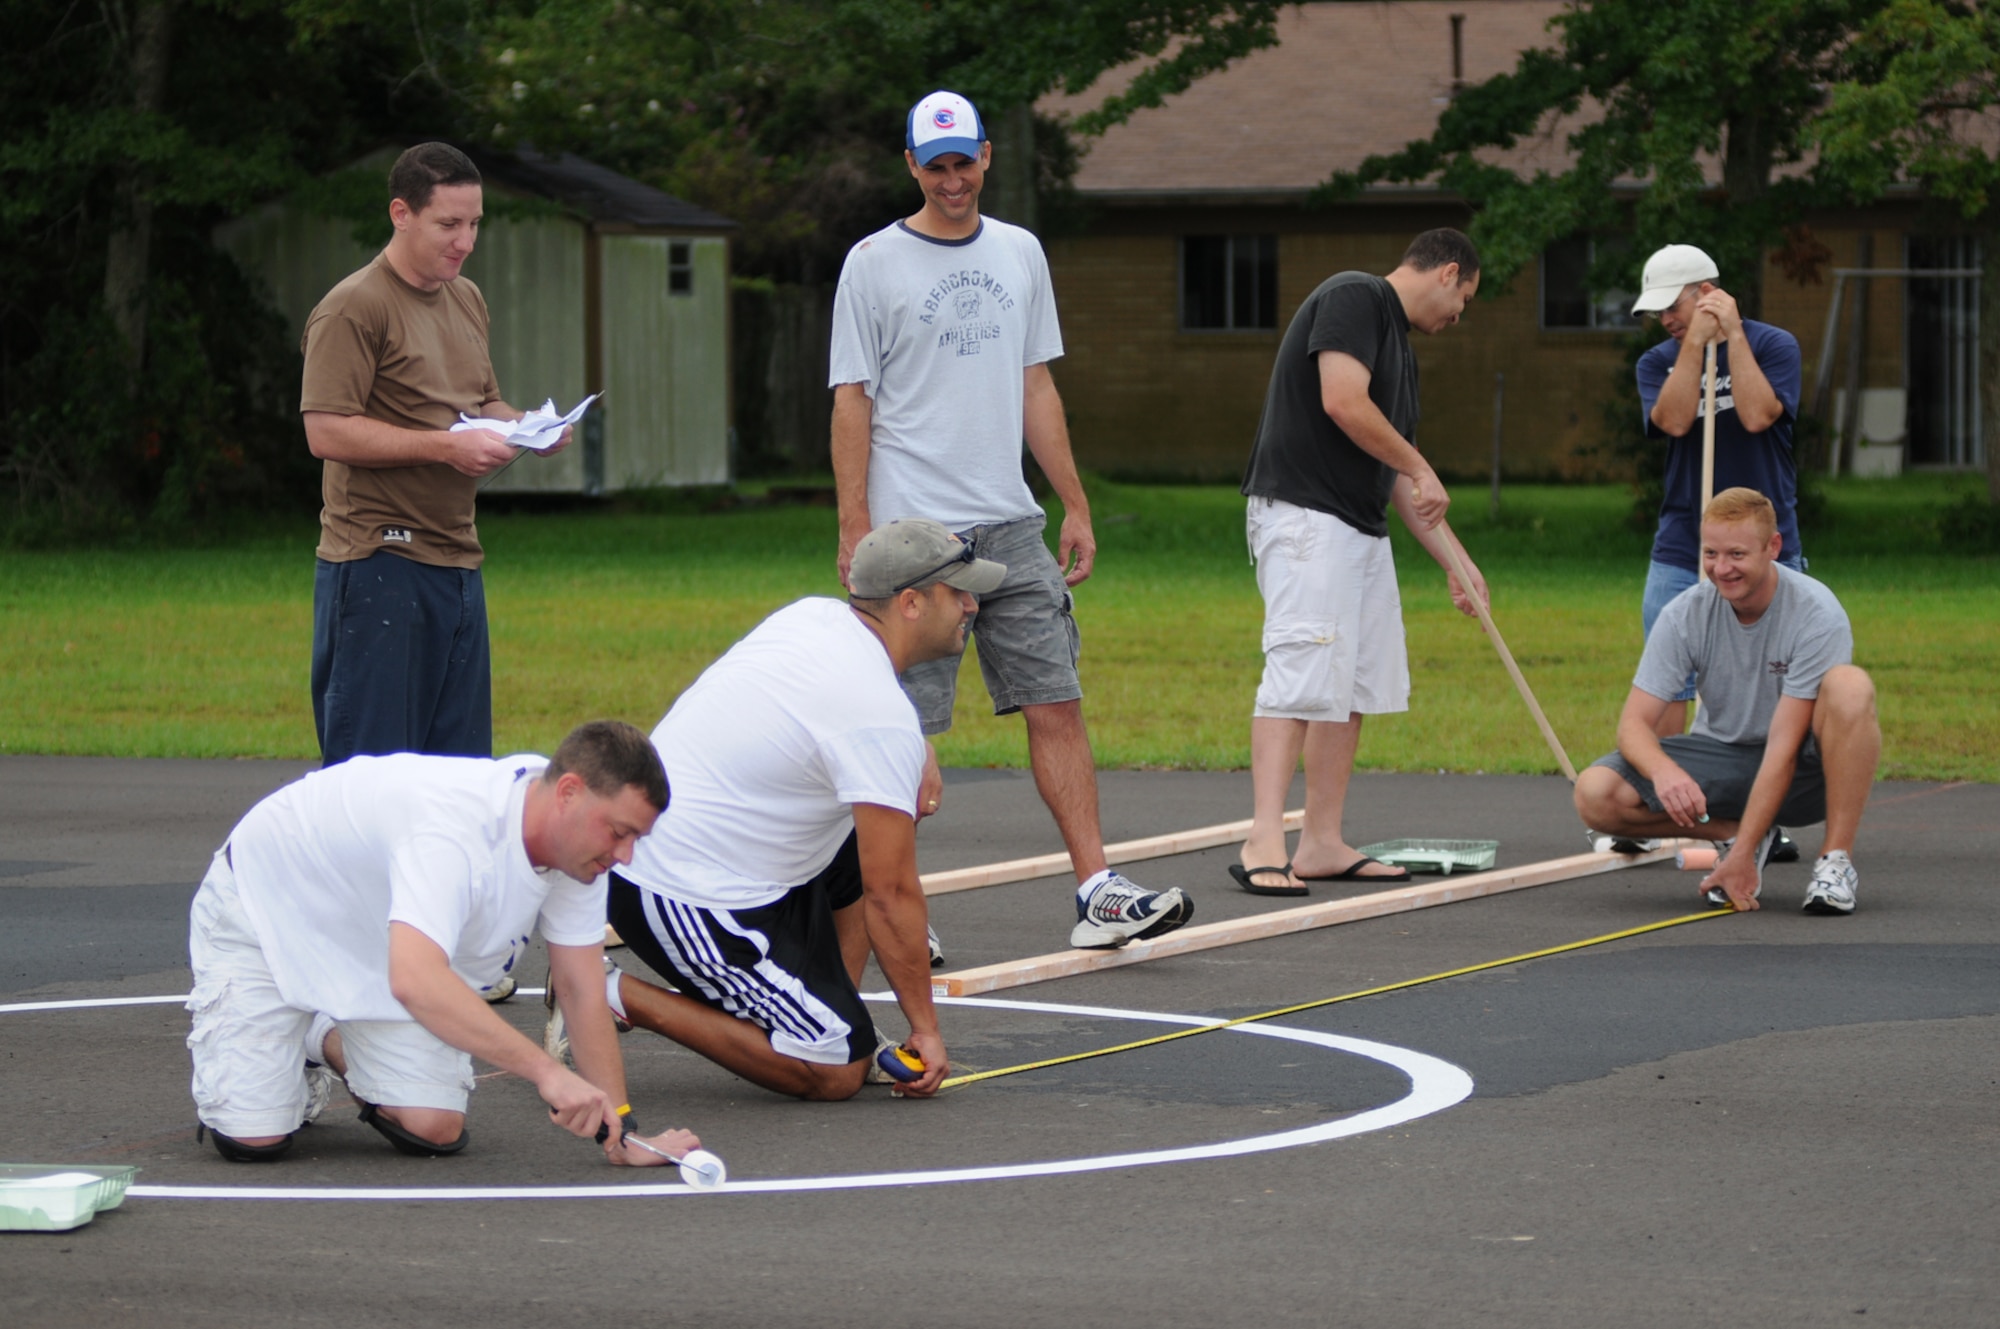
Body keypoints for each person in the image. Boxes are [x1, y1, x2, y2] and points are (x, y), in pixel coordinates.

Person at [829, 90, 1190, 951]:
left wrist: (1073, 500)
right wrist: (854, 527)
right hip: (914, 539)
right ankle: (896, 912)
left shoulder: (1021, 253)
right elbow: (853, 399)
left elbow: (1036, 386)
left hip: (1010, 522)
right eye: (936, 165)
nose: (953, 179)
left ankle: (1097, 891)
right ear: (912, 166)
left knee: (1054, 700)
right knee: (901, 727)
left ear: (987, 156)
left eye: (965, 161)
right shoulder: (873, 262)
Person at [549, 520, 999, 1101]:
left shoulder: (816, 617)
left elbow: (836, 720)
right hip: (683, 891)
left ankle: (833, 1014)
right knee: (837, 1071)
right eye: (957, 592)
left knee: (877, 825)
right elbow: (891, 894)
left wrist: (916, 750)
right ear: (911, 603)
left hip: (714, 856)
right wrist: (926, 1029)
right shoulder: (876, 716)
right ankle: (600, 988)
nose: (971, 604)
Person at [185, 720, 698, 1166]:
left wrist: (621, 1133)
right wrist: (547, 1073)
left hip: (383, 939)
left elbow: (581, 985)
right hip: (270, 909)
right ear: (567, 792)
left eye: (636, 839)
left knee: (434, 1125)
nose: (626, 856)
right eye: (619, 833)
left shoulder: (579, 852)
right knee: (254, 1138)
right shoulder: (451, 829)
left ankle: (318, 1036)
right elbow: (415, 979)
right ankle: (289, 1023)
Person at [1231, 230, 1489, 897]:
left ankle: (1320, 840)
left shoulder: (1398, 349)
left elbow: (1400, 477)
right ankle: (1264, 835)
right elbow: (1342, 401)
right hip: (1305, 515)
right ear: (1448, 272)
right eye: (1464, 298)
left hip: (1358, 525)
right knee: (1300, 667)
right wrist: (1420, 460)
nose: (1459, 316)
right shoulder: (1356, 295)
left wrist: (1456, 562)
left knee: (1348, 687)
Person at [300, 142, 570, 771]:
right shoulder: (354, 306)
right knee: (375, 781)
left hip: (457, 562)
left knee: (458, 782)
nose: (465, 241)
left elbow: (483, 402)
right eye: (449, 224)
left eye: (475, 224)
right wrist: (446, 448)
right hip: (377, 564)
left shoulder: (466, 297)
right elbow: (326, 431)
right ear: (401, 213)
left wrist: (531, 426)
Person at [1573, 489, 1878, 914]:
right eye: (1711, 553)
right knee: (1594, 793)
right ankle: (1735, 835)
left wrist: (1739, 859)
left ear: (1773, 547)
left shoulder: (1816, 613)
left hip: (1806, 774)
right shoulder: (1684, 614)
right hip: (1724, 759)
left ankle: (1835, 863)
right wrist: (1664, 773)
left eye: (1736, 553)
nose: (1721, 568)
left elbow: (1782, 749)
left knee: (1850, 686)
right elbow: (1633, 725)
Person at [1630, 244, 1805, 738]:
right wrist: (1694, 348)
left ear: (1708, 293)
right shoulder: (1656, 361)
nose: (1664, 319)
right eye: (1657, 310)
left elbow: (1757, 415)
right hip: (1682, 547)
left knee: (1770, 685)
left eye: (1673, 306)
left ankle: (1756, 804)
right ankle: (1667, 801)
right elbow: (1675, 420)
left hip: (1767, 546)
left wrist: (1731, 337)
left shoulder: (1775, 346)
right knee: (1666, 685)